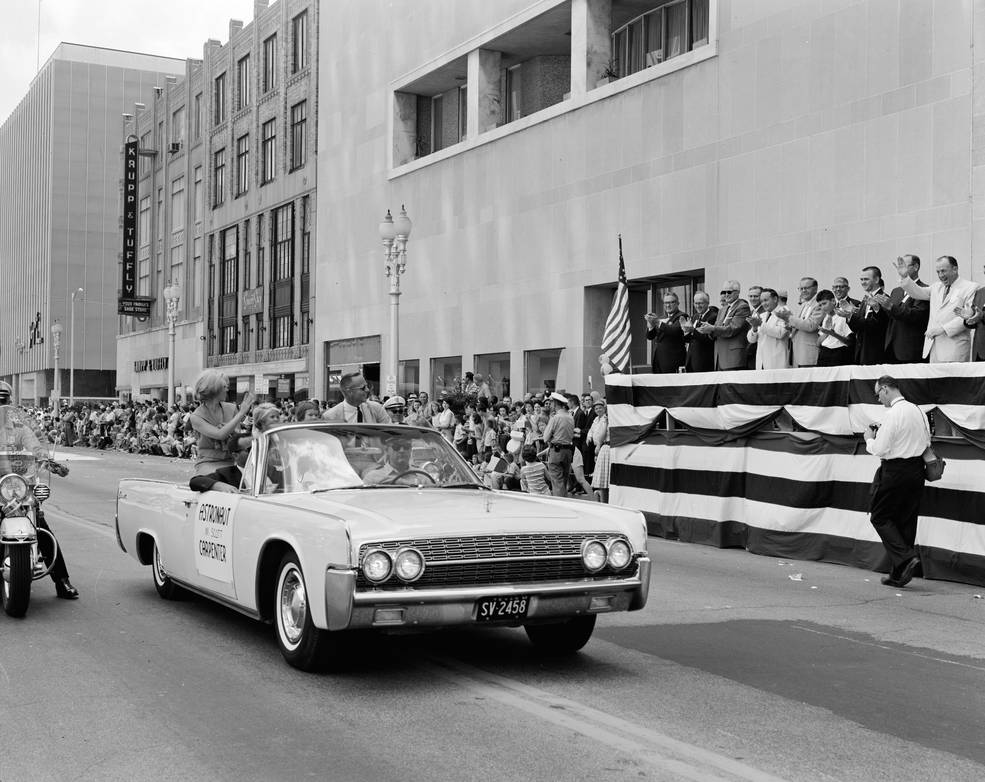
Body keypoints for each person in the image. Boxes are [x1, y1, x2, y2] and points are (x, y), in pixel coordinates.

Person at [0, 383, 77, 599]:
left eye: (3, 401)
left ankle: (62, 581)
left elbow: (36, 448)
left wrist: (49, 461)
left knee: (41, 527)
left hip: (17, 485)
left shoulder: (20, 429)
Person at [863, 376, 930, 588]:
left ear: (885, 389)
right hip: (917, 469)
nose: (878, 399)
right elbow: (928, 440)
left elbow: (880, 449)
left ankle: (905, 558)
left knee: (880, 516)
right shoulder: (919, 410)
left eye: (877, 394)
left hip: (896, 470)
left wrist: (869, 439)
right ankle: (899, 572)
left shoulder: (893, 414)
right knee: (906, 520)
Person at [894, 255, 978, 362]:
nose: (940, 275)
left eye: (943, 271)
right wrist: (905, 277)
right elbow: (917, 292)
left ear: (955, 269)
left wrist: (943, 329)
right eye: (938, 272)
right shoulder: (937, 287)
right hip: (934, 348)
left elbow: (968, 317)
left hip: (955, 347)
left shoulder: (970, 287)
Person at [188, 370, 255, 477]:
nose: (227, 390)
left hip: (232, 461)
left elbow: (236, 439)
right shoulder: (196, 416)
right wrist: (242, 412)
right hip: (208, 463)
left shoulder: (231, 408)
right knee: (219, 479)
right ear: (214, 390)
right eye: (224, 387)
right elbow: (220, 434)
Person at [875, 255, 929, 364]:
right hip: (892, 347)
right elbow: (891, 316)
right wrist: (879, 308)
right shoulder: (896, 291)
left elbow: (916, 315)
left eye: (904, 266)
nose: (901, 269)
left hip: (910, 348)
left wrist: (891, 306)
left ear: (916, 267)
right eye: (900, 266)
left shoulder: (924, 289)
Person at [696, 280, 750, 370]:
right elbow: (716, 330)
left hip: (734, 358)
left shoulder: (742, 306)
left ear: (737, 293)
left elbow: (732, 329)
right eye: (724, 292)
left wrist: (712, 328)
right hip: (719, 357)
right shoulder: (722, 309)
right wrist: (707, 329)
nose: (726, 295)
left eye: (729, 292)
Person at [842, 266, 889, 365]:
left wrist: (852, 316)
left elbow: (877, 325)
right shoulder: (865, 300)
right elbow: (857, 328)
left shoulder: (884, 298)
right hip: (861, 352)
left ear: (876, 279)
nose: (863, 282)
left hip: (876, 353)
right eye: (861, 279)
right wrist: (849, 315)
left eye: (866, 279)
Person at [776, 277, 822, 367]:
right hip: (797, 351)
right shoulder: (803, 304)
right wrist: (788, 325)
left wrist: (789, 318)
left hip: (809, 352)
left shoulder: (819, 304)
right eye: (801, 288)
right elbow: (797, 323)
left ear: (815, 288)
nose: (803, 291)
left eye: (806, 288)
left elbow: (811, 325)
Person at [539, 391, 575, 497]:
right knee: (563, 482)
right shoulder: (570, 417)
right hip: (568, 451)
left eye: (551, 403)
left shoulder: (556, 418)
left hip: (556, 451)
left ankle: (561, 508)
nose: (550, 405)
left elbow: (545, 438)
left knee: (557, 483)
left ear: (555, 403)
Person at [746, 288, 791, 369]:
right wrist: (754, 328)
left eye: (766, 300)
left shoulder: (784, 312)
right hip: (761, 361)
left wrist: (760, 324)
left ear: (775, 299)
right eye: (762, 301)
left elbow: (780, 333)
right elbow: (751, 340)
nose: (763, 304)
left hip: (776, 361)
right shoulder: (762, 315)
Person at [323, 372, 392, 423]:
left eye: (367, 386)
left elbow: (390, 433)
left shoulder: (376, 409)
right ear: (349, 391)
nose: (367, 390)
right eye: (363, 388)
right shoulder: (330, 416)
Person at [645, 292, 687, 373]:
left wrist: (657, 322)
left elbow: (674, 331)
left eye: (671, 302)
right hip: (659, 360)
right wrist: (651, 325)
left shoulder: (682, 316)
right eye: (666, 303)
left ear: (678, 303)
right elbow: (650, 336)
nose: (668, 305)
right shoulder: (661, 318)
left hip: (674, 361)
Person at [815, 290, 854, 366]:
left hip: (839, 354)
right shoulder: (826, 317)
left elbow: (849, 342)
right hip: (824, 353)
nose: (822, 307)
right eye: (820, 305)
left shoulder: (843, 315)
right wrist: (827, 333)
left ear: (833, 301)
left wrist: (832, 334)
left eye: (824, 303)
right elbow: (818, 343)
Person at [682, 291, 718, 372]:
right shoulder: (695, 316)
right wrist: (686, 331)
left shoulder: (713, 316)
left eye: (700, 303)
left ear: (707, 303)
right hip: (691, 359)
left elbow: (708, 338)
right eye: (696, 303)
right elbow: (690, 339)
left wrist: (692, 330)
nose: (698, 306)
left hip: (704, 361)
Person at [957, 260, 985, 361]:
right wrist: (969, 317)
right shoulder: (980, 292)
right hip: (979, 351)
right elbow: (974, 321)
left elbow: (981, 316)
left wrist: (982, 316)